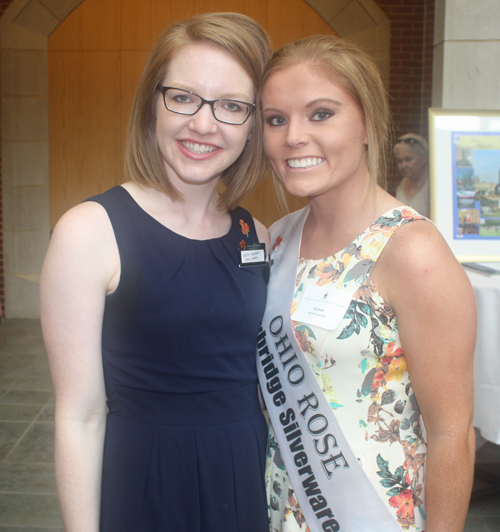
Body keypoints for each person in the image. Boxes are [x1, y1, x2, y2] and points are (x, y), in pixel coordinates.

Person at [40, 13, 272, 532]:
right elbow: (79, 416)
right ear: (152, 104)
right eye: (183, 97)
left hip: (243, 475)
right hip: (145, 479)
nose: (204, 124)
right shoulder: (89, 232)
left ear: (253, 124)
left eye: (231, 106)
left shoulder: (256, 233)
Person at [257, 35, 476, 532]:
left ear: (366, 124)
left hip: (370, 517)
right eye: (276, 119)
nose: (293, 136)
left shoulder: (412, 251)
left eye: (320, 114)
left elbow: (452, 435)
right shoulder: (278, 238)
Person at [394, 133, 430, 217]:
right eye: (400, 161)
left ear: (423, 157)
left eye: (408, 159)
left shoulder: (431, 185)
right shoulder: (402, 184)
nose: (404, 165)